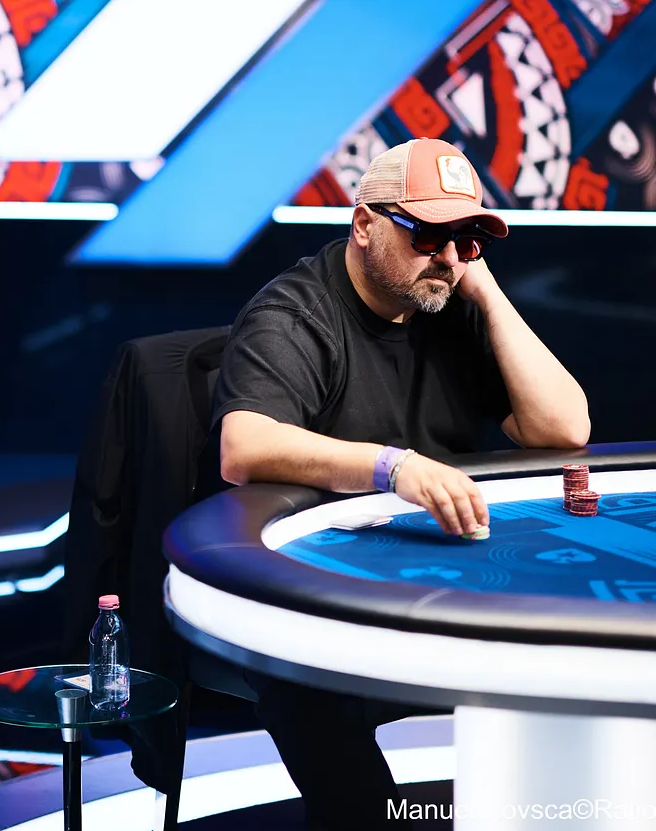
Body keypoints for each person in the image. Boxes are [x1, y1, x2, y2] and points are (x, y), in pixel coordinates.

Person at [213, 137, 590, 830]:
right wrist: (394, 465)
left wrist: (486, 289)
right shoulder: (295, 313)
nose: (447, 255)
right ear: (364, 224)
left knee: (571, 658)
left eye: (467, 239)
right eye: (428, 234)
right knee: (312, 700)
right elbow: (244, 446)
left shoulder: (449, 303)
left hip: (441, 576)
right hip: (318, 593)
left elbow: (564, 428)